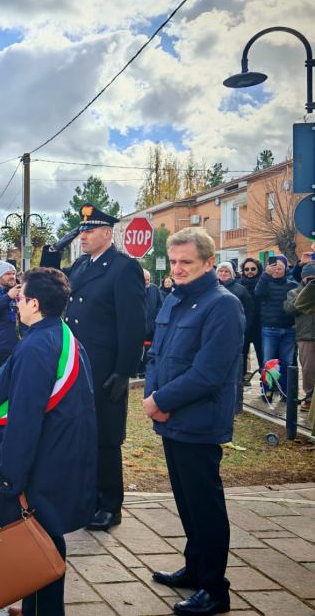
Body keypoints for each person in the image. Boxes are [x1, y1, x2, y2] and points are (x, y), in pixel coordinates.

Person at [143, 227, 243, 616]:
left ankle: (215, 589)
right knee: (186, 502)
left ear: (208, 263)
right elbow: (157, 356)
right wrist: (155, 398)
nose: (178, 269)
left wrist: (161, 400)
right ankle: (196, 568)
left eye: (187, 262)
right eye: (174, 261)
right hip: (171, 418)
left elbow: (210, 372)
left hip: (199, 422)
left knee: (205, 506)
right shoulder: (175, 300)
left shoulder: (223, 305)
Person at [0, 268, 97, 616]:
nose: (17, 303)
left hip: (43, 461)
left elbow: (26, 415)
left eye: (20, 297)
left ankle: (46, 611)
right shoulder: (64, 335)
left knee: (41, 540)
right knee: (43, 536)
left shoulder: (36, 345)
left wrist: (11, 475)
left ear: (34, 303)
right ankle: (37, 605)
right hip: (62, 453)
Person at [40, 202, 145, 531]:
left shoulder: (123, 267)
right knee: (82, 434)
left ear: (106, 233)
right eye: (80, 230)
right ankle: (89, 499)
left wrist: (124, 370)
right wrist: (52, 254)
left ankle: (110, 505)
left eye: (87, 231)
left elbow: (132, 324)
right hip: (78, 363)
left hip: (104, 366)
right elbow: (51, 283)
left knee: (106, 438)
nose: (82, 236)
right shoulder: (84, 265)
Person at [254, 255, 297, 401]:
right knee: (268, 362)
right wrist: (266, 274)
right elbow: (258, 293)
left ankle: (285, 393)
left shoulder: (292, 285)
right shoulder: (265, 283)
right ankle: (267, 391)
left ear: (286, 268)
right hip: (269, 329)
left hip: (289, 330)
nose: (277, 270)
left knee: (287, 362)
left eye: (280, 267)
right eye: (274, 267)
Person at [285, 263, 315, 411]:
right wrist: (308, 293)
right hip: (306, 335)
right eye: (309, 279)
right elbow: (290, 309)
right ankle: (309, 398)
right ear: (303, 278)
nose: (311, 282)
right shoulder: (294, 292)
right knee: (308, 369)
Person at [239, 257, 264, 377]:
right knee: (241, 358)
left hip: (260, 326)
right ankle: (240, 389)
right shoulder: (239, 284)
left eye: (253, 269)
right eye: (246, 269)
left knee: (263, 359)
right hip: (244, 327)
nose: (249, 271)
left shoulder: (264, 284)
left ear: (258, 269)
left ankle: (266, 388)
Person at [140, 270, 164, 377]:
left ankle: (147, 369)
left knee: (150, 350)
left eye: (148, 279)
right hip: (139, 326)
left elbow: (160, 304)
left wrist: (157, 318)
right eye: (144, 279)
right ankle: (139, 370)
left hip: (152, 325)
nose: (146, 281)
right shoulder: (135, 288)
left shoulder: (154, 289)